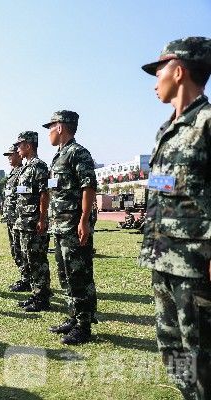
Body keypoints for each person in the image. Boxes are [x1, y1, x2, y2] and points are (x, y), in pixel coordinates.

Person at [139, 37, 211, 400]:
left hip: (197, 268)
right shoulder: (165, 132)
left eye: (159, 71)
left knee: (204, 360)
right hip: (163, 259)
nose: (155, 82)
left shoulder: (207, 124)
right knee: (174, 353)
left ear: (179, 71)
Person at [45, 110, 98, 345]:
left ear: (60, 127)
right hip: (60, 226)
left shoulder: (78, 153)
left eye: (50, 127)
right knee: (65, 274)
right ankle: (74, 317)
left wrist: (84, 220)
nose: (48, 133)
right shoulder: (58, 156)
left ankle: (84, 326)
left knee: (79, 275)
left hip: (74, 226)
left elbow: (88, 188)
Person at [13, 131, 51, 312]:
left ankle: (42, 298)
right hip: (24, 221)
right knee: (29, 259)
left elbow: (45, 194)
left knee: (38, 261)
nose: (17, 149)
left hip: (34, 221)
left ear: (28, 145)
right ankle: (36, 294)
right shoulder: (25, 168)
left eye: (19, 145)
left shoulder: (39, 166)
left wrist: (42, 219)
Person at [1, 144, 30, 292]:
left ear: (19, 155)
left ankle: (27, 279)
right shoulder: (12, 173)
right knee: (15, 249)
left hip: (19, 218)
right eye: (8, 155)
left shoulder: (22, 172)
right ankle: (24, 277)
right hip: (10, 218)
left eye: (11, 154)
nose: (9, 158)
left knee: (21, 249)